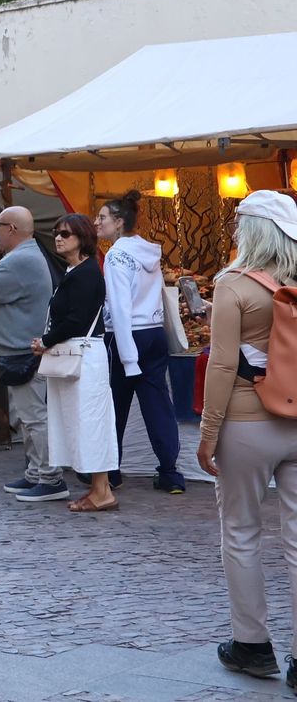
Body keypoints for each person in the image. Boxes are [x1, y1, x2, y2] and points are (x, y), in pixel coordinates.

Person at [198, 190, 297, 685]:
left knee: (240, 533)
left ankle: (252, 645)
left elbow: (221, 365)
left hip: (247, 421)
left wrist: (208, 433)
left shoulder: (233, 285)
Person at [97, 189, 185, 494]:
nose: (97, 223)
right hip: (153, 331)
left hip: (126, 334)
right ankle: (170, 472)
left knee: (115, 405)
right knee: (158, 403)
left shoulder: (116, 256)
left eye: (103, 217)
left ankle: (111, 472)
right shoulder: (150, 252)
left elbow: (120, 306)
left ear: (119, 222)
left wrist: (127, 356)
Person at [0, 205, 61, 500]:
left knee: (33, 418)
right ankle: (36, 473)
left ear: (11, 229)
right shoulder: (25, 257)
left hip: (25, 353)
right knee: (28, 417)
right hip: (21, 351)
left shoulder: (20, 260)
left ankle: (50, 477)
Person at [32, 214, 116, 511]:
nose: (58, 238)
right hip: (81, 354)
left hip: (85, 356)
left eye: (65, 234)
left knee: (90, 422)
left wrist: (46, 340)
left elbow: (76, 319)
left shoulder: (87, 273)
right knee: (82, 422)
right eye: (56, 232)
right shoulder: (76, 271)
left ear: (82, 238)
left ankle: (101, 490)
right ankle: (99, 488)